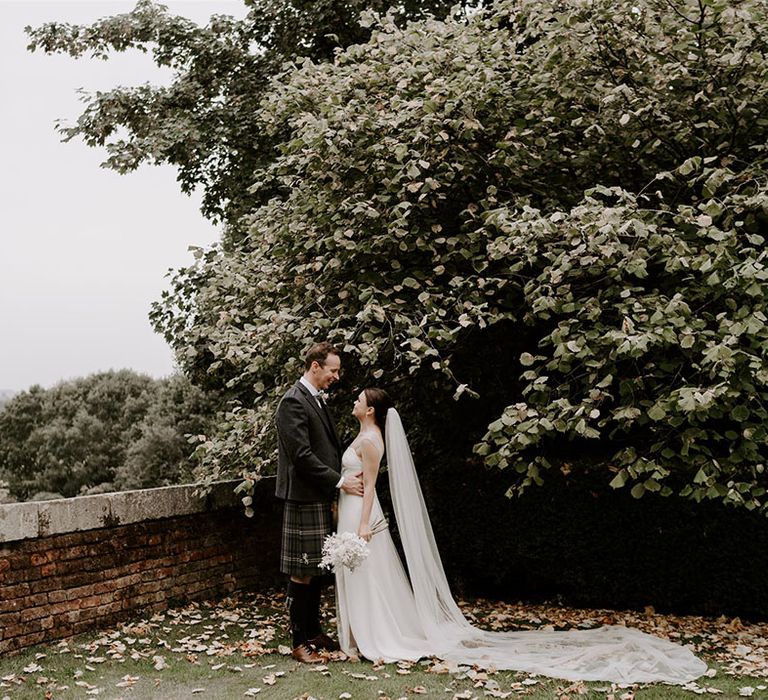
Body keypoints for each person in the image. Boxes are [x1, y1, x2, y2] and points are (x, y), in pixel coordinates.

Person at [334, 387, 708, 684]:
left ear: (370, 410)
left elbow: (369, 488)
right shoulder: (365, 433)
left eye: (359, 399)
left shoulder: (371, 441)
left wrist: (364, 524)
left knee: (371, 576)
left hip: (363, 516)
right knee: (364, 575)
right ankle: (361, 634)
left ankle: (375, 635)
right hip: (352, 511)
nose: (354, 400)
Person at [275, 342, 364, 663]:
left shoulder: (314, 400)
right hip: (303, 497)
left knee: (315, 567)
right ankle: (299, 642)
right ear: (315, 366)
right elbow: (301, 456)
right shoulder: (292, 402)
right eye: (333, 370)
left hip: (317, 495)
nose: (336, 376)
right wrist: (340, 482)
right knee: (302, 570)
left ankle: (312, 632)